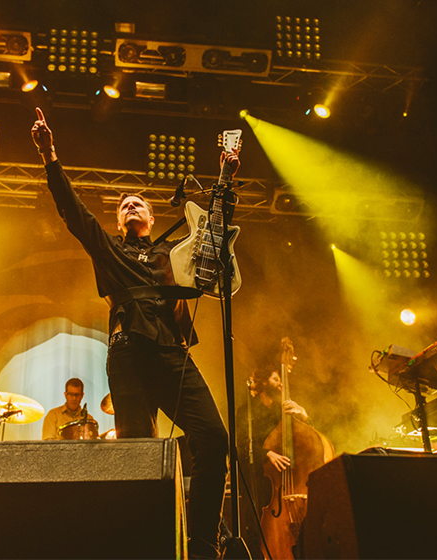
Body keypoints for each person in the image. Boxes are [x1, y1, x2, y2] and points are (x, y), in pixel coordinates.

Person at [31, 107, 233, 558]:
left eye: (138, 203)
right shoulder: (109, 250)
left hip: (172, 352)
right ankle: (145, 547)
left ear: (153, 216)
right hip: (128, 353)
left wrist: (223, 178)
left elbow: (213, 239)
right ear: (119, 221)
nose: (131, 206)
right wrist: (49, 155)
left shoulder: (171, 253)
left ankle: (202, 542)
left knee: (214, 439)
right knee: (138, 451)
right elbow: (73, 211)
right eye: (124, 206)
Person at [236, 366, 313, 558]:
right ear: (263, 382)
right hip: (260, 481)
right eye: (276, 379)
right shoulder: (247, 410)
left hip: (285, 482)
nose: (281, 383)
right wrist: (267, 453)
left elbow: (308, 440)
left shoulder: (282, 411)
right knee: (256, 530)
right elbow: (242, 444)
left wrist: (304, 416)